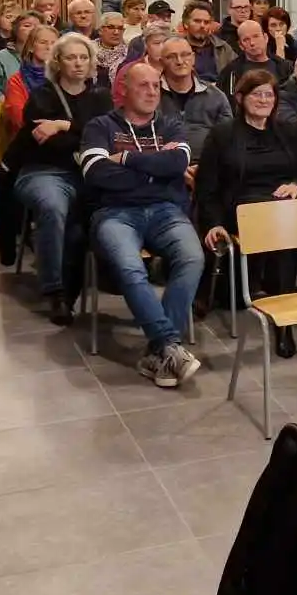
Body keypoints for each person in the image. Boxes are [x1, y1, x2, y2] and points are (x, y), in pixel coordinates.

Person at [78, 62, 205, 388]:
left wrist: (128, 160)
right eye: (143, 86)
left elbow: (178, 163)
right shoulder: (100, 126)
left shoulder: (170, 124)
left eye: (155, 86)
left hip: (166, 211)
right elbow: (96, 173)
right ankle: (167, 345)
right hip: (115, 213)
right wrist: (156, 172)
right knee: (130, 267)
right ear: (123, 91)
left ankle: (160, 351)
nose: (152, 92)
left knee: (193, 258)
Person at [198, 68, 297, 357]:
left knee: (286, 227)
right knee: (281, 221)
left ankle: (285, 319)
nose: (264, 99)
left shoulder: (288, 132)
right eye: (257, 94)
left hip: (283, 209)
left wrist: (296, 186)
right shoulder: (223, 134)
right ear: (240, 98)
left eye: (269, 94)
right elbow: (207, 187)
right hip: (241, 208)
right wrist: (213, 224)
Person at [6, 32, 110, 324]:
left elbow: (106, 139)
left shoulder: (100, 97)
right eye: (70, 57)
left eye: (83, 57)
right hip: (44, 171)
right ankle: (55, 291)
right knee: (53, 207)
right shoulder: (42, 96)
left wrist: (64, 125)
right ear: (58, 62)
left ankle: (106, 277)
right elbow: (48, 143)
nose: (78, 64)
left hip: (88, 173)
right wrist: (80, 135)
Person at [153, 35, 232, 166]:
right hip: (163, 166)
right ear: (161, 62)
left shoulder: (216, 96)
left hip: (209, 166)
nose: (179, 61)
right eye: (171, 57)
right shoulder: (151, 94)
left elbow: (228, 139)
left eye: (185, 55)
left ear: (193, 58)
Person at [0, 14, 41, 134]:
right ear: (15, 31)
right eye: (27, 26)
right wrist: (12, 107)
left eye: (37, 27)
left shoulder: (47, 59)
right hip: (5, 115)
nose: (33, 30)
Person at [1, 23, 58, 137]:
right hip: (29, 138)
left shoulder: (64, 77)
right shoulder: (16, 81)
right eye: (43, 42)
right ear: (31, 47)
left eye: (54, 43)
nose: (49, 47)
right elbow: (18, 119)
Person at [218, 19, 291, 95]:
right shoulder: (230, 72)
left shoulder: (285, 68)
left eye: (256, 36)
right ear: (240, 45)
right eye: (246, 40)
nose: (252, 43)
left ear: (265, 38)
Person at [183, 0, 236, 84]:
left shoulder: (223, 48)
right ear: (186, 23)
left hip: (218, 93)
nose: (202, 26)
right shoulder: (177, 48)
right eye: (197, 21)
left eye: (206, 22)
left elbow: (237, 73)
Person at [93, 11, 129, 82]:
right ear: (100, 30)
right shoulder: (89, 51)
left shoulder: (128, 54)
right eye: (111, 27)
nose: (116, 32)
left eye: (120, 28)